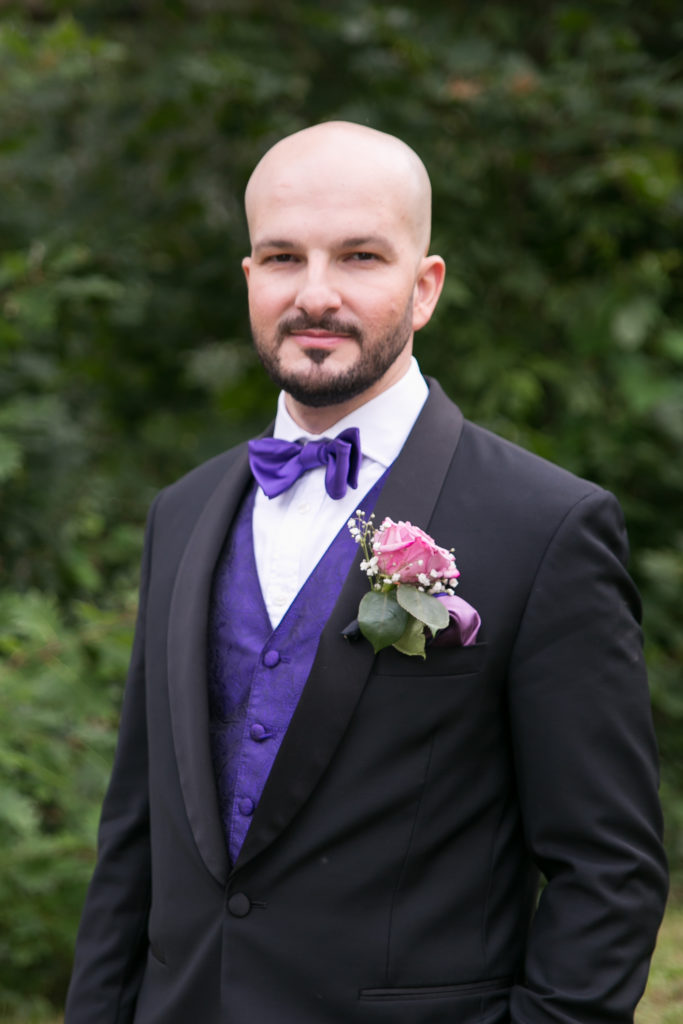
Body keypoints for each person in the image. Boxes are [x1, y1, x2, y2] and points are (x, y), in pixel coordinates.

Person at [64, 121, 667, 1024]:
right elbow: (133, 843)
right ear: (249, 277)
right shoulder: (180, 515)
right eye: (282, 258)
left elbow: (607, 872)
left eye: (358, 257)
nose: (315, 294)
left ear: (423, 288)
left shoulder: (545, 526)